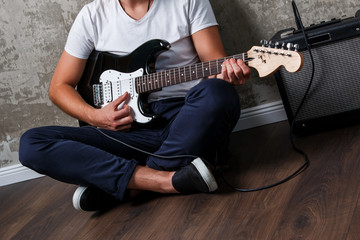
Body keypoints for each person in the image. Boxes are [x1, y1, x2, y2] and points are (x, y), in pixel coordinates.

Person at [19, 0, 251, 212]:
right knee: (31, 144)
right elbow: (59, 87)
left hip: (185, 120)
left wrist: (226, 75)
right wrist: (96, 117)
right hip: (126, 132)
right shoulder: (92, 16)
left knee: (219, 93)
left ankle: (127, 184)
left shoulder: (188, 1)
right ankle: (166, 180)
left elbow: (214, 65)